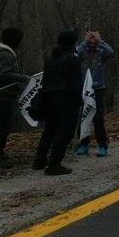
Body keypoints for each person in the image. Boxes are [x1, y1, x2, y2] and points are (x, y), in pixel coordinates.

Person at [33, 30, 83, 175]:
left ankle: (40, 160)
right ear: (72, 43)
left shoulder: (50, 58)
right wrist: (77, 100)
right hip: (65, 98)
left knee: (49, 129)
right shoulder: (72, 59)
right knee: (65, 131)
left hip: (49, 97)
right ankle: (54, 164)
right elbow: (75, 83)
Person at [0, 28, 30, 169]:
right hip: (2, 94)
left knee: (2, 125)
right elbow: (3, 74)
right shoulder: (6, 55)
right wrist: (22, 78)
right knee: (1, 126)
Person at [75, 31, 114, 157]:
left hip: (97, 88)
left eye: (94, 41)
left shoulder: (101, 52)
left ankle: (102, 145)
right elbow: (75, 53)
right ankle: (83, 144)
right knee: (83, 117)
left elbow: (110, 51)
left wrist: (100, 40)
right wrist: (85, 41)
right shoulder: (82, 52)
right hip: (83, 88)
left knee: (98, 118)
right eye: (90, 41)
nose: (92, 43)